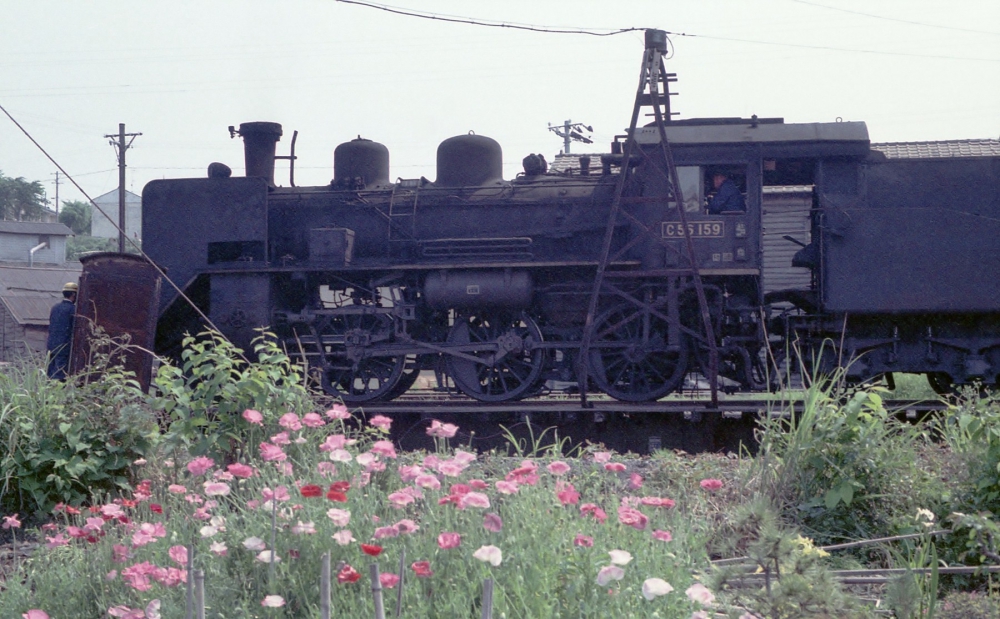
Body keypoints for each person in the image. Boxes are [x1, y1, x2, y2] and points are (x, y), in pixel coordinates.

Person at [46, 281, 78, 380]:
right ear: (73, 294)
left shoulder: (55, 308)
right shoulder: (73, 310)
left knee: (50, 375)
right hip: (64, 348)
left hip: (51, 346)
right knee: (60, 377)